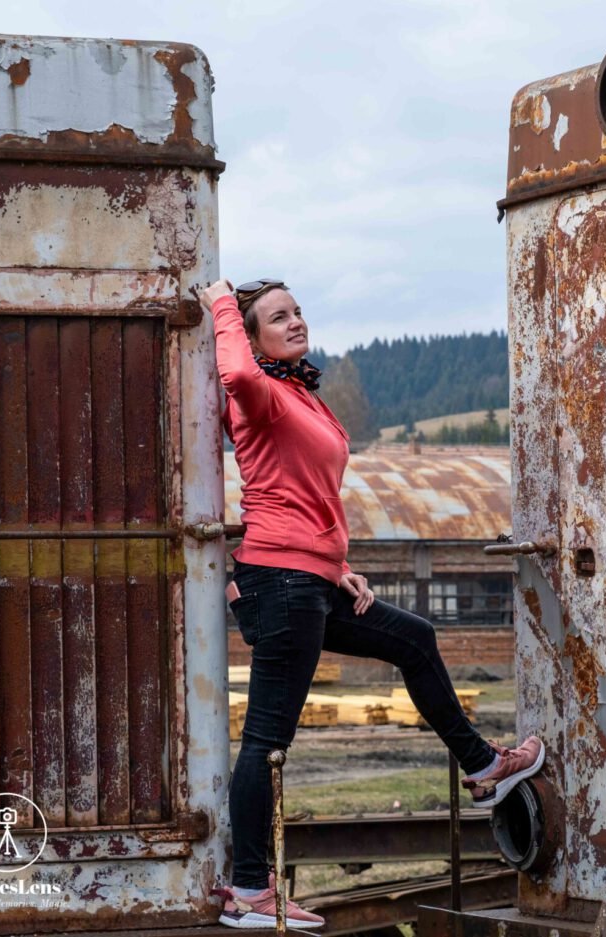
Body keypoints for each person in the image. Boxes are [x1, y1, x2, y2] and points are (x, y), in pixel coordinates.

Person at [198, 278, 545, 931]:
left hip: (310, 578)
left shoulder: (299, 393)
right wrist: (222, 301)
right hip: (283, 584)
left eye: (298, 310)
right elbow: (237, 375)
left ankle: (481, 765)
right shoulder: (262, 394)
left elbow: (305, 497)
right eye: (278, 317)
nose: (297, 321)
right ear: (250, 336)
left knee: (412, 637)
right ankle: (249, 887)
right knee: (268, 738)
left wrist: (340, 568)